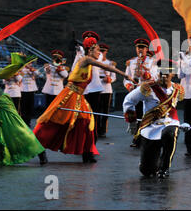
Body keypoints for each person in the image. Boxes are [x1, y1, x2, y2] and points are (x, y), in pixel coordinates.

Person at [33, 36, 130, 164]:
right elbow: (106, 67)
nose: (99, 53)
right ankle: (37, 146)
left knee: (86, 122)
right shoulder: (86, 59)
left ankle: (87, 152)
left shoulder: (88, 60)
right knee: (54, 120)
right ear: (89, 50)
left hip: (79, 96)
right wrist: (125, 75)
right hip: (69, 95)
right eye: (97, 50)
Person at [0, 48, 45, 166]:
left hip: (0, 102)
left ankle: (40, 151)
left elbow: (3, 73)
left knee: (17, 128)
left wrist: (17, 64)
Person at [123, 60, 186, 178]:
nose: (163, 77)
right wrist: (131, 121)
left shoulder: (177, 90)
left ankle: (164, 167)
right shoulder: (148, 88)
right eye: (161, 73)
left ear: (172, 74)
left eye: (167, 74)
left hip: (169, 124)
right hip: (151, 128)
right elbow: (129, 100)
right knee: (147, 171)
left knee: (170, 133)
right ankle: (153, 164)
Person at [124, 38, 158, 147]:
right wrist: (129, 85)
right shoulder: (132, 62)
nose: (140, 50)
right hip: (136, 90)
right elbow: (126, 77)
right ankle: (136, 137)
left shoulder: (153, 61)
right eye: (138, 47)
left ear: (147, 49)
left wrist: (146, 73)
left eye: (143, 48)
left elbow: (156, 77)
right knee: (136, 114)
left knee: (147, 115)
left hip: (148, 91)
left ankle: (145, 137)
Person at [97, 43, 116, 138]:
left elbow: (114, 77)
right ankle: (96, 129)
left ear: (106, 52)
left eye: (103, 51)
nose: (101, 53)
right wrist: (101, 79)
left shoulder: (110, 63)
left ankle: (103, 130)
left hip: (106, 89)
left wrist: (110, 80)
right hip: (96, 88)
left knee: (105, 111)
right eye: (99, 51)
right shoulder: (95, 62)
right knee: (96, 110)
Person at [19, 60, 40, 127]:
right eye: (28, 63)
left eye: (30, 63)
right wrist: (22, 71)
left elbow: (39, 74)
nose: (29, 64)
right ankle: (23, 122)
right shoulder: (21, 69)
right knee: (23, 108)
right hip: (23, 90)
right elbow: (19, 78)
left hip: (31, 90)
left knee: (30, 107)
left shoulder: (33, 69)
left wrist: (32, 70)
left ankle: (28, 121)